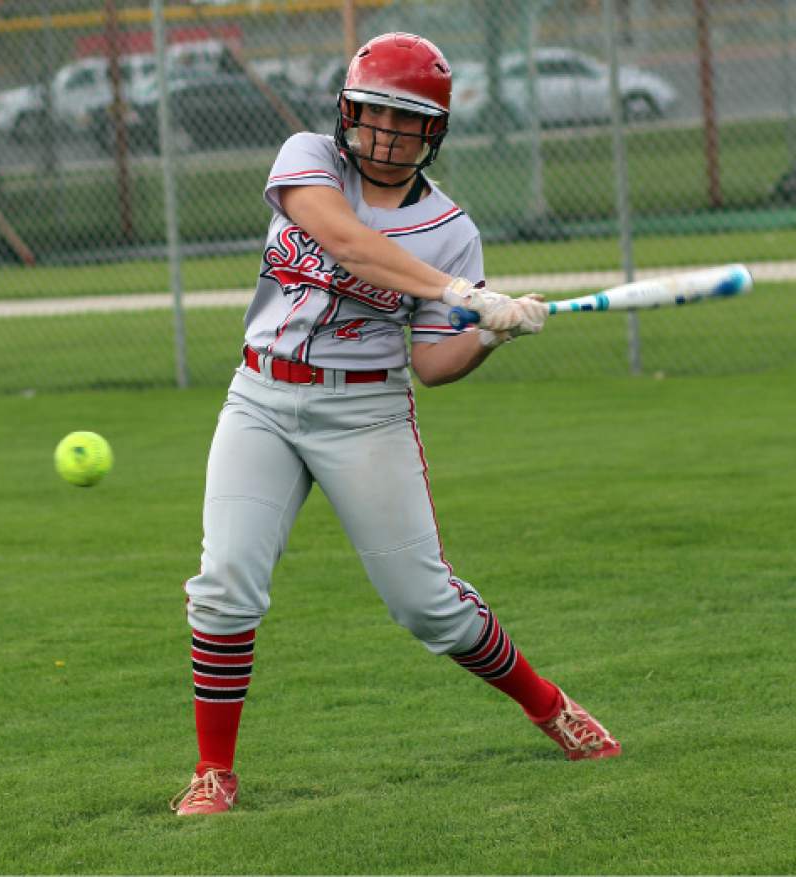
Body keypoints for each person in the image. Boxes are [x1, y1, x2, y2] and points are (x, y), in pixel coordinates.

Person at [170, 32, 621, 817]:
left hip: (364, 412)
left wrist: (491, 331)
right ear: (346, 113)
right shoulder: (307, 157)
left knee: (427, 604)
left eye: (405, 122)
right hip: (261, 398)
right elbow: (347, 242)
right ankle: (215, 770)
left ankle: (550, 704)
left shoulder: (451, 228)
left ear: (433, 132)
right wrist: (463, 291)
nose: (384, 135)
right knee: (224, 586)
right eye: (372, 115)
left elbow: (435, 365)